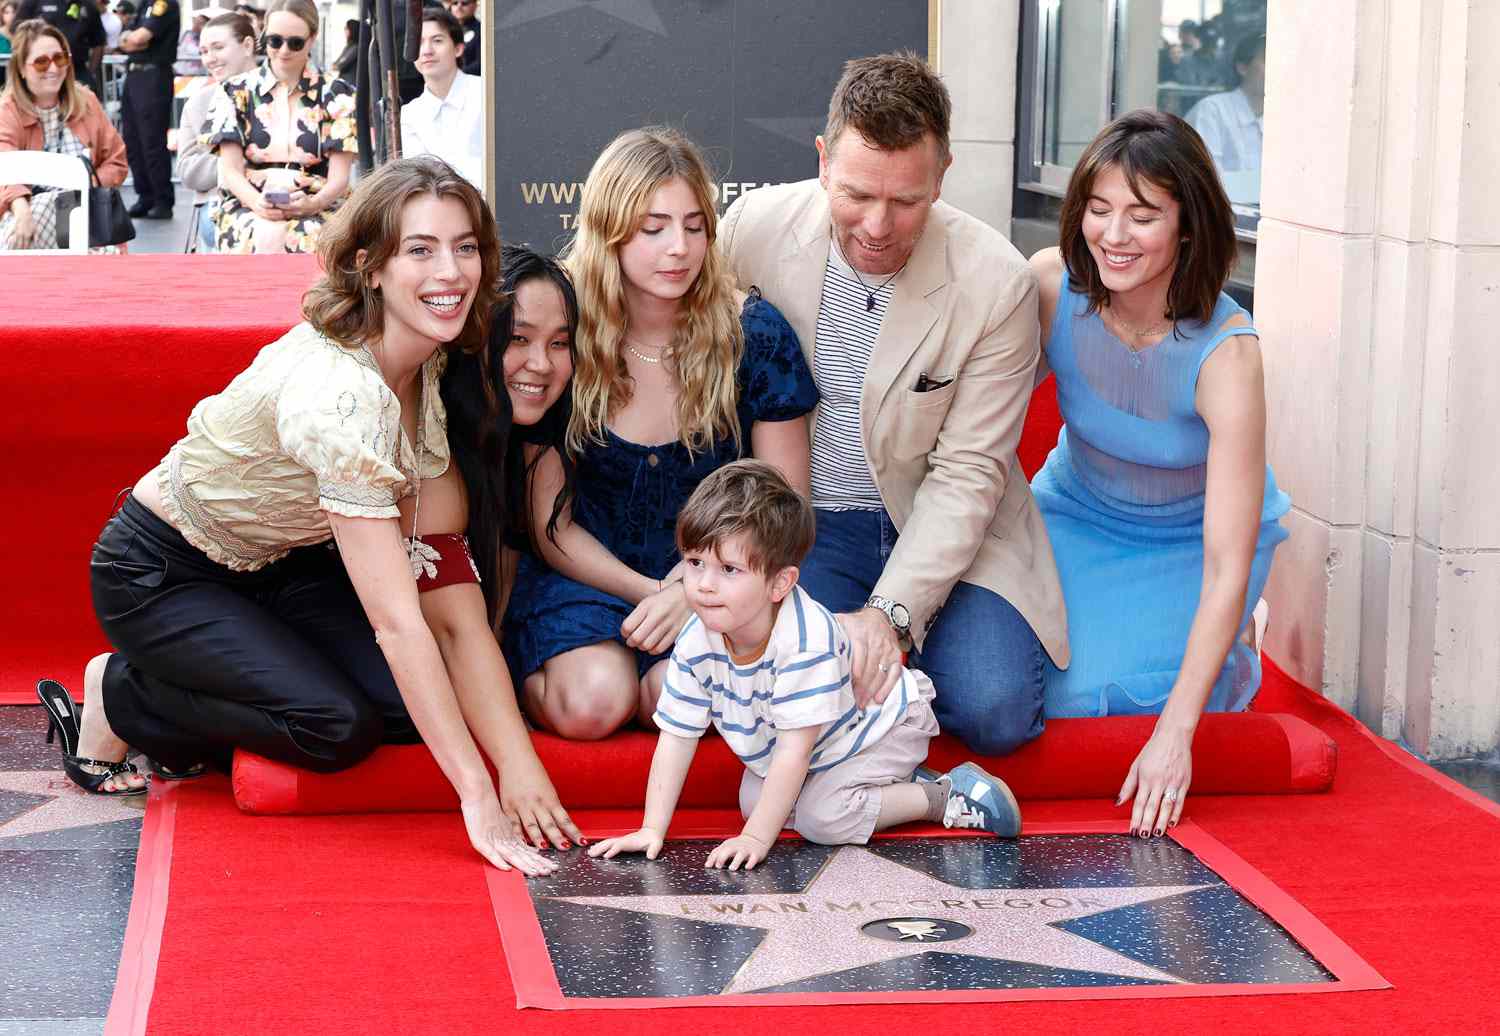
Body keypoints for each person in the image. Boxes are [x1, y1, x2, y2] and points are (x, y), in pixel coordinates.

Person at [34, 157, 575, 874]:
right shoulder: (341, 397)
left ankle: (226, 678)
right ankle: (121, 695)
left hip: (282, 565)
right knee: (335, 726)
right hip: (162, 571)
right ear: (369, 266)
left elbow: (446, 593)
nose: (450, 271)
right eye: (420, 249)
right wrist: (477, 791)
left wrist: (520, 764)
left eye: (465, 246)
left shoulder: (433, 361)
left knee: (412, 709)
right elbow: (397, 621)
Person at [720, 52, 1067, 758]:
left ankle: (908, 672)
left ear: (942, 174)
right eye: (855, 194)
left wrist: (891, 615)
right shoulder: (751, 230)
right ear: (823, 162)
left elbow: (969, 475)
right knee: (788, 693)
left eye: (906, 201)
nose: (877, 225)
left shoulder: (996, 281)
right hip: (812, 523)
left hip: (954, 529)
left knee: (996, 709)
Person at [504, 126, 818, 741]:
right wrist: (654, 589)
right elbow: (551, 526)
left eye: (695, 225)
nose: (679, 247)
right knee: (593, 703)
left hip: (724, 576)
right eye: (653, 228)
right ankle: (522, 669)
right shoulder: (564, 329)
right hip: (586, 573)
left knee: (676, 700)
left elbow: (784, 504)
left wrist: (694, 589)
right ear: (609, 229)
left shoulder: (752, 332)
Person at [1027, 109, 1290, 840]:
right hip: (1072, 512)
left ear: (1188, 224)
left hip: (1189, 547)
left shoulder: (1229, 356)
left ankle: (1233, 659)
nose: (1113, 236)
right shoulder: (1051, 288)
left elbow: (1224, 562)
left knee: (1100, 702)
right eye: (1098, 209)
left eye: (1142, 216)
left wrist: (1178, 738)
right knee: (1023, 693)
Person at [589, 460, 1022, 871]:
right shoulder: (699, 634)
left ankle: (939, 795)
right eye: (695, 563)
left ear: (780, 583)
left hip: (880, 727)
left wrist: (755, 840)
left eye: (729, 569)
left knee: (822, 819)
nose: (702, 585)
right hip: (816, 744)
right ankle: (881, 787)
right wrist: (651, 829)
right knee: (755, 803)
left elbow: (794, 754)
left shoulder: (804, 640)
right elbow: (677, 736)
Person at [210, 0, 356, 253]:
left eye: (295, 42)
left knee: (314, 236)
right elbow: (230, 170)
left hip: (319, 204)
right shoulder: (234, 91)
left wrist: (313, 203)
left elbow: (339, 178)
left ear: (312, 39)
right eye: (274, 41)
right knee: (249, 233)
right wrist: (257, 203)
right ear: (264, 36)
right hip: (248, 202)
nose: (284, 50)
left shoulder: (338, 93)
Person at [0, 19, 127, 250]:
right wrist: (21, 208)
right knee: (29, 221)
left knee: (68, 209)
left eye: (60, 58)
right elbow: (4, 168)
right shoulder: (7, 110)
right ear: (21, 69)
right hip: (26, 213)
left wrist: (81, 186)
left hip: (88, 214)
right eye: (41, 62)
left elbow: (116, 161)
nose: (53, 68)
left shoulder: (86, 101)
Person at [175, 9, 255, 251]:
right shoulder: (199, 103)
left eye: (218, 47)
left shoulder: (280, 94)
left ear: (248, 45)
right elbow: (187, 169)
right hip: (217, 202)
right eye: (204, 51)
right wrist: (236, 163)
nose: (210, 59)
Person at [400, 6, 481, 187]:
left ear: (458, 48)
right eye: (419, 42)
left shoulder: (485, 93)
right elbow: (417, 181)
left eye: (437, 40)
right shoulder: (410, 113)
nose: (427, 50)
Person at [116, 0, 176, 218]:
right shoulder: (143, 5)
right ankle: (145, 195)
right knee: (132, 140)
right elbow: (125, 40)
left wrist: (133, 40)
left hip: (154, 75)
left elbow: (140, 38)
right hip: (134, 75)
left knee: (152, 141)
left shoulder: (163, 4)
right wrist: (130, 40)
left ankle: (162, 199)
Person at [1186, 33, 1265, 175]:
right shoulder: (1211, 111)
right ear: (1242, 68)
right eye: (1267, 60)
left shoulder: (1284, 117)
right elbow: (1207, 179)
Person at [12, 0, 104, 91]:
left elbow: (99, 42)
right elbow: (16, 30)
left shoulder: (89, 5)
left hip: (77, 69)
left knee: (87, 97)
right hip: (41, 69)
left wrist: (92, 70)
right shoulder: (35, 2)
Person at [172, 9, 206, 75]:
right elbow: (191, 49)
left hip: (201, 74)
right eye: (196, 22)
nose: (197, 25)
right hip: (181, 73)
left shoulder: (206, 37)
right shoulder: (185, 34)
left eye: (201, 23)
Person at [451, 0, 477, 75]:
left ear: (475, 5)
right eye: (455, 3)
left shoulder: (482, 30)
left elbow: (481, 63)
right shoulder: (444, 29)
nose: (459, 7)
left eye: (464, 3)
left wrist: (456, 74)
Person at [332, 16, 356, 82]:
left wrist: (337, 65)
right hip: (343, 81)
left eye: (346, 28)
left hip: (349, 83)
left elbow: (340, 65)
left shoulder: (355, 48)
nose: (344, 31)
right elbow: (336, 63)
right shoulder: (348, 46)